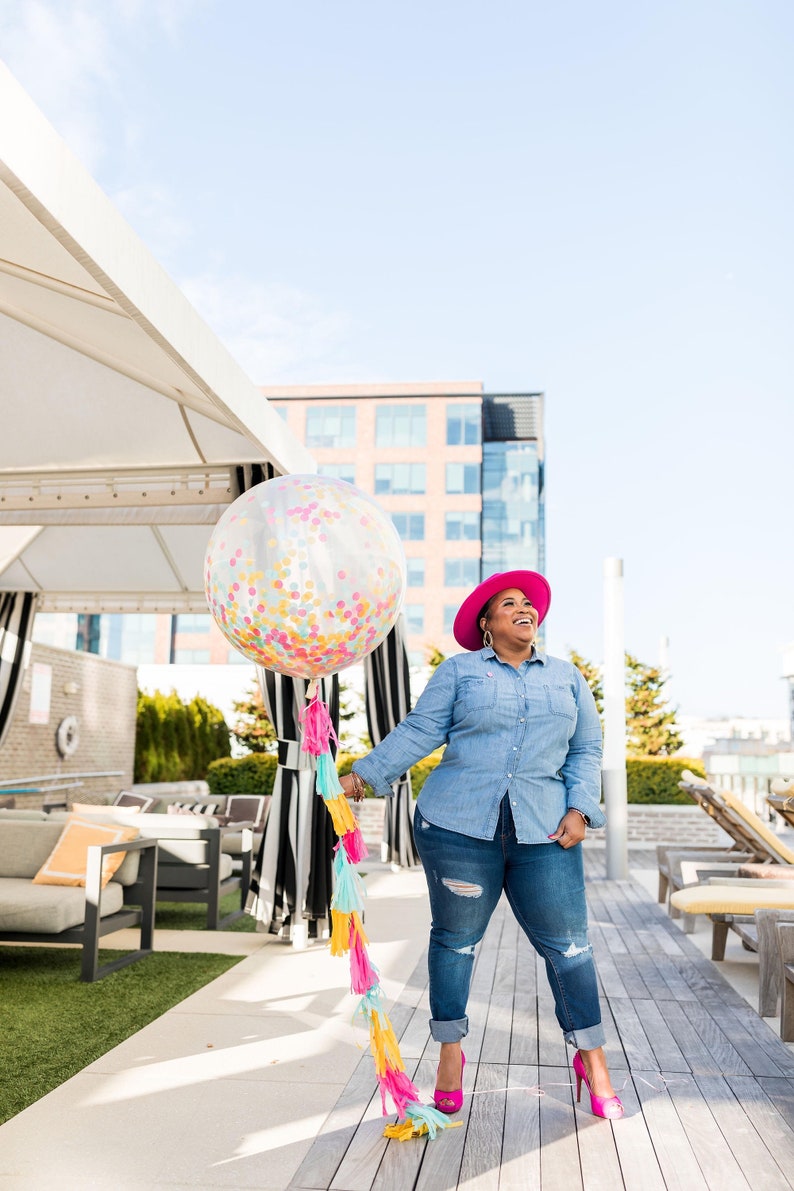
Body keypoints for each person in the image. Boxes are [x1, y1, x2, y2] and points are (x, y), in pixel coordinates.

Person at [339, 569, 623, 1120]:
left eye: (528, 604)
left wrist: (581, 808)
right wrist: (362, 778)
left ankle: (594, 1061)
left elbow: (586, 749)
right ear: (486, 625)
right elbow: (420, 731)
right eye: (509, 604)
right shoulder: (461, 672)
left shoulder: (567, 678)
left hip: (546, 832)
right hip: (456, 829)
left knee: (570, 948)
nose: (524, 609)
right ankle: (450, 1055)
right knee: (456, 942)